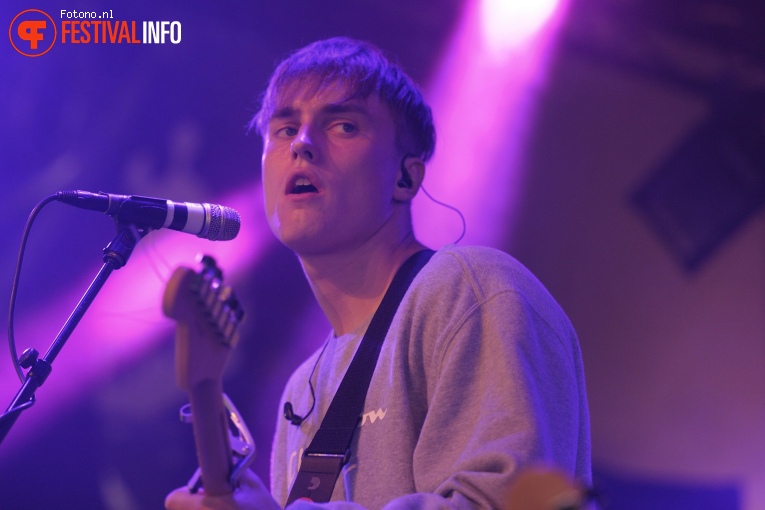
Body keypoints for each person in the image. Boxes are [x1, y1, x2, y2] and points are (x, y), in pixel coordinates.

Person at [166, 36, 591, 510]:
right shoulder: (302, 385)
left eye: (343, 126)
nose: (303, 144)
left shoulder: (469, 291)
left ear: (405, 178)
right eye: (285, 129)